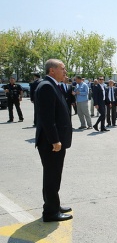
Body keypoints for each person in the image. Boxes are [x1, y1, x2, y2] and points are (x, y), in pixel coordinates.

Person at [34, 59, 73, 222]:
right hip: (51, 143)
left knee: (54, 175)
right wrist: (55, 140)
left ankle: (53, 204)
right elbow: (47, 119)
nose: (65, 72)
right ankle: (50, 212)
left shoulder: (51, 85)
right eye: (62, 69)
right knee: (51, 175)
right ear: (52, 70)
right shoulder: (46, 87)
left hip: (54, 141)